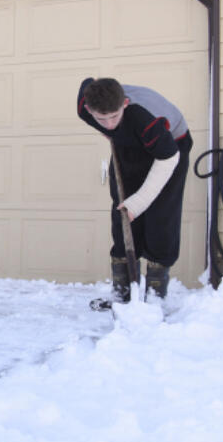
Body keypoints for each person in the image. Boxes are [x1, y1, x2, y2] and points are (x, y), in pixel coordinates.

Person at [78, 77, 192, 303]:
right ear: (89, 109)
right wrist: (113, 131)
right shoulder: (85, 106)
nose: (109, 124)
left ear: (125, 104)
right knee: (121, 211)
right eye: (102, 119)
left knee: (161, 215)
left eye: (114, 116)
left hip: (170, 147)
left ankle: (154, 298)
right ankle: (123, 294)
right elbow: (88, 82)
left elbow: (168, 158)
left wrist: (138, 202)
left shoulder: (144, 118)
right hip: (129, 143)